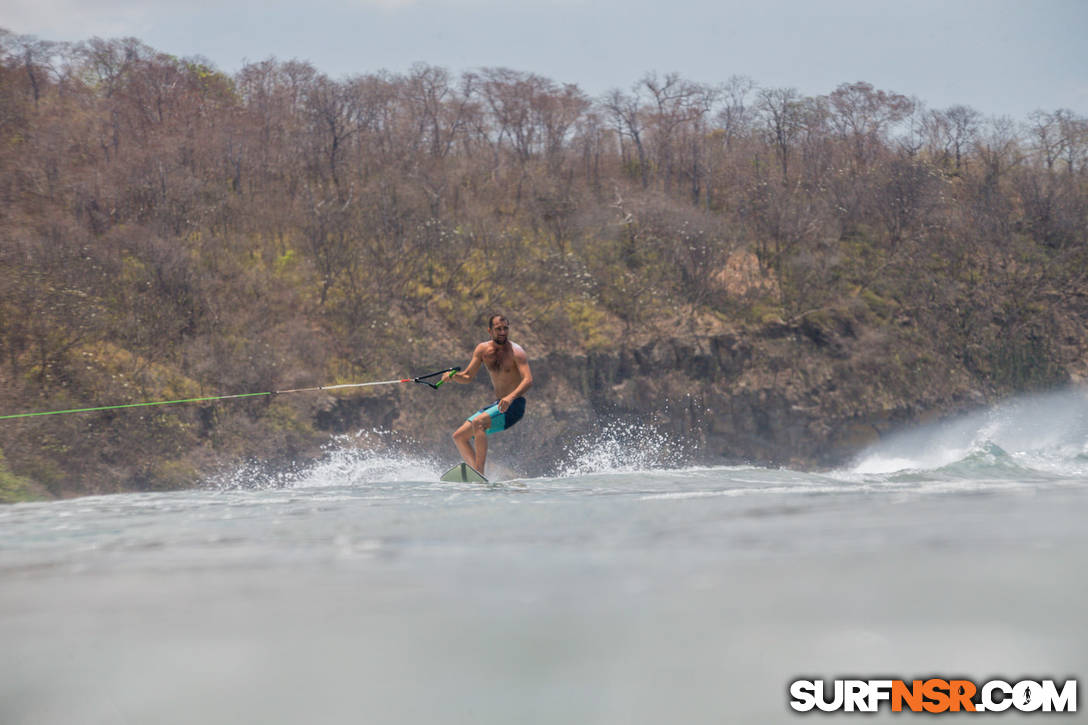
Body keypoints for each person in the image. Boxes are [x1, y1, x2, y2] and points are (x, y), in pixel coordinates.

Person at [442, 314, 532, 475]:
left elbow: (528, 380)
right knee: (459, 436)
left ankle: (479, 472)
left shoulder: (516, 352)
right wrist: (453, 376)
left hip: (514, 405)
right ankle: (475, 475)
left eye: (505, 328)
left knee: (478, 422)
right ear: (490, 331)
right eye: (498, 329)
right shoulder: (483, 350)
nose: (503, 332)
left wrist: (510, 397)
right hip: (498, 405)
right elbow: (468, 376)